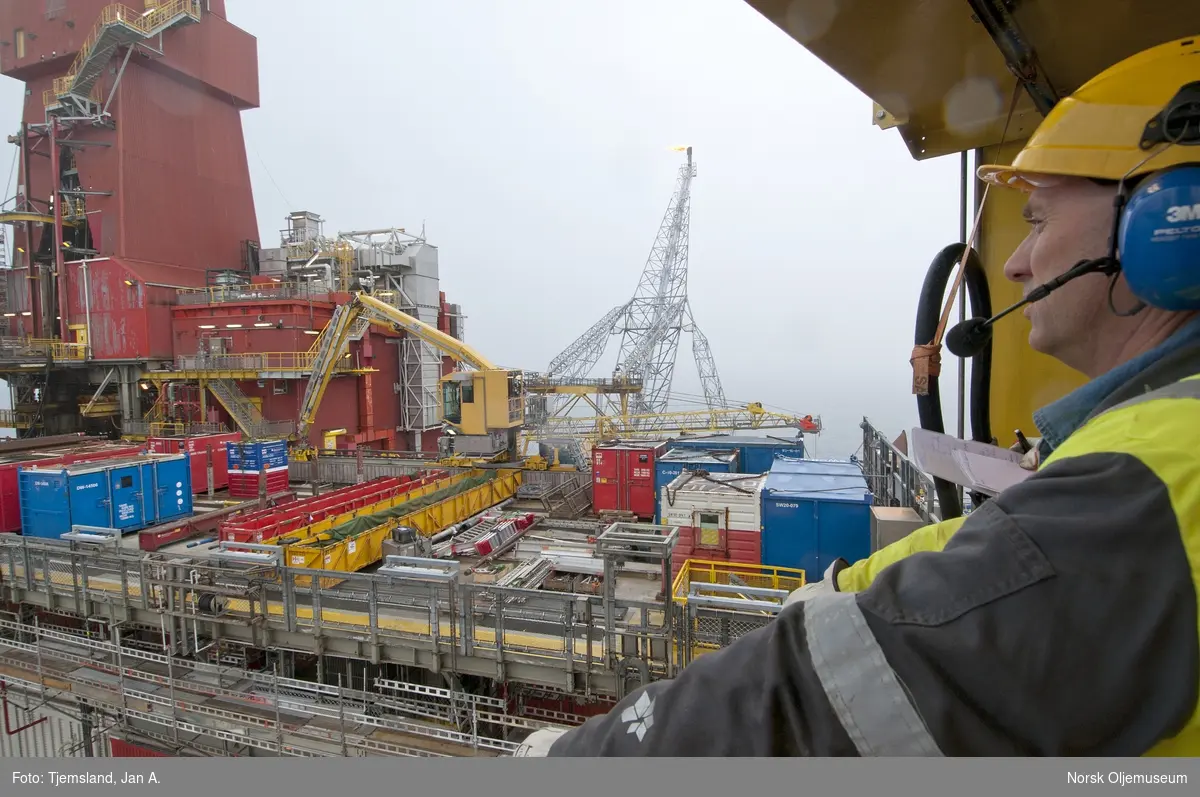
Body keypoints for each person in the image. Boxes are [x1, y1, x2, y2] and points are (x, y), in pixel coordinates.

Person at [514, 36, 1200, 757]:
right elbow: (981, 551)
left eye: (1037, 221)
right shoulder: (1145, 457)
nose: (1016, 261)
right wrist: (843, 582)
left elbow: (813, 705)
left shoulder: (1147, 489)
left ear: (1168, 226)